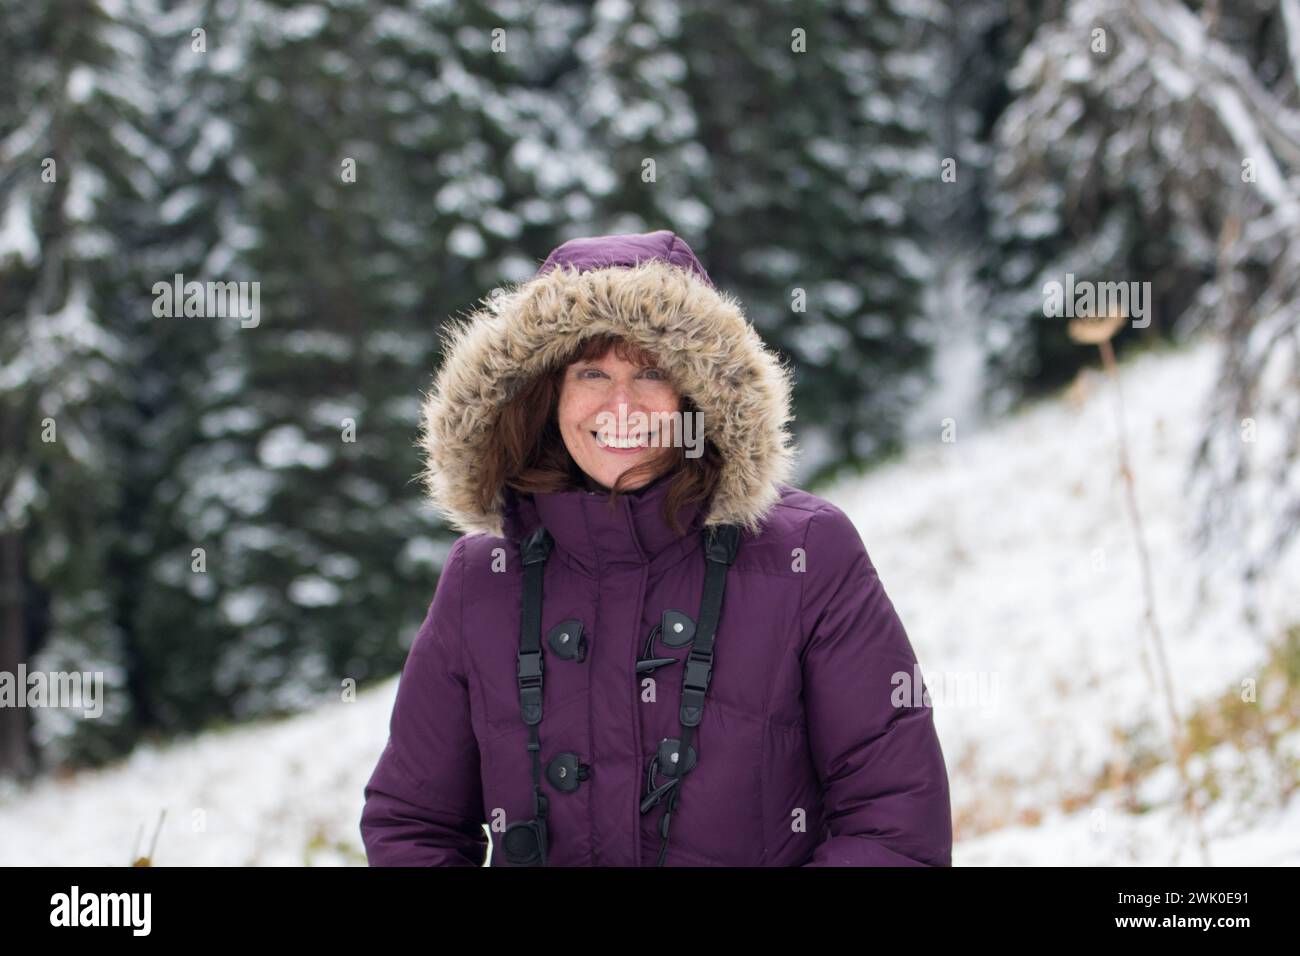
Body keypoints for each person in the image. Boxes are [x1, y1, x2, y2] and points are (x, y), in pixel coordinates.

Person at [359, 229, 952, 866]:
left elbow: (893, 824)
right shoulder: (484, 576)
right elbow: (413, 824)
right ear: (546, 394)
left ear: (698, 394)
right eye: (591, 371)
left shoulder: (807, 555)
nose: (621, 404)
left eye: (650, 371)